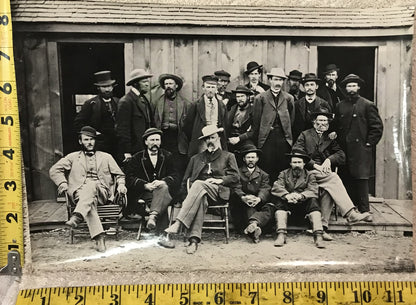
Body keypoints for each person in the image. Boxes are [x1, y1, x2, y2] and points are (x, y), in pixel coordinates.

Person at [293, 111, 373, 240]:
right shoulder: (305, 135)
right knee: (333, 178)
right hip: (307, 172)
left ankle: (321, 228)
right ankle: (350, 213)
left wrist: (329, 160)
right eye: (320, 121)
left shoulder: (329, 138)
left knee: (328, 191)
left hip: (322, 174)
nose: (323, 124)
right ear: (314, 123)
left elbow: (341, 155)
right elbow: (297, 151)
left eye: (325, 121)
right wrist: (315, 165)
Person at [49, 126, 127, 252]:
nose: (89, 142)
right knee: (89, 200)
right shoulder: (73, 157)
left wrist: (121, 184)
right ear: (80, 141)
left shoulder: (106, 157)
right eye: (86, 140)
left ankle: (78, 216)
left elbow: (119, 174)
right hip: (79, 193)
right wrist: (62, 183)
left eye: (92, 139)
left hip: (102, 192)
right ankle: (99, 236)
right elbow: (54, 170)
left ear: (95, 141)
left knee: (91, 184)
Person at [165, 125, 239, 254]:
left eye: (213, 137)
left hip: (219, 192)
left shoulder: (228, 156)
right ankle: (194, 241)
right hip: (198, 195)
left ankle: (179, 223)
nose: (210, 141)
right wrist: (184, 197)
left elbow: (235, 177)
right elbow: (185, 180)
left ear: (218, 138)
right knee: (200, 196)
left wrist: (219, 180)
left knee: (199, 184)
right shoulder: (196, 158)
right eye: (207, 139)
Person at [335, 74, 383, 217]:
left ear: (358, 87)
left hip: (361, 149)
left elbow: (377, 127)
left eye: (353, 85)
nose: (351, 88)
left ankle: (365, 210)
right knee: (346, 177)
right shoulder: (339, 106)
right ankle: (350, 211)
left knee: (361, 178)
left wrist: (368, 144)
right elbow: (337, 126)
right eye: (348, 86)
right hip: (344, 149)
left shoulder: (368, 105)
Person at [123, 128, 179, 248]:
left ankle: (152, 217)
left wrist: (163, 181)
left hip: (164, 190)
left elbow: (175, 175)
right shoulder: (137, 157)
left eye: (157, 140)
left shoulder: (167, 156)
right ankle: (162, 236)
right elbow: (129, 178)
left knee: (162, 189)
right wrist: (145, 185)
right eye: (152, 140)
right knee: (162, 198)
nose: (155, 143)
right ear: (146, 142)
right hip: (145, 192)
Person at [270, 150, 325, 248]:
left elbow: (313, 189)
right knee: (280, 201)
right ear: (290, 163)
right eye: (294, 162)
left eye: (299, 162)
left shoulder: (310, 175)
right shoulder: (283, 174)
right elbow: (277, 187)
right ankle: (281, 234)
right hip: (289, 207)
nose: (297, 165)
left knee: (313, 201)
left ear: (304, 163)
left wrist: (301, 196)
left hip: (303, 210)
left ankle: (318, 235)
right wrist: (287, 195)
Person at [249, 67, 295, 182]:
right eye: (275, 79)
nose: (278, 83)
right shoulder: (260, 98)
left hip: (283, 138)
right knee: (267, 166)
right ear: (270, 80)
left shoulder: (289, 98)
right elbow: (256, 122)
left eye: (280, 80)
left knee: (283, 167)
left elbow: (292, 120)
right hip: (267, 138)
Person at [230, 143, 273, 243]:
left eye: (253, 157)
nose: (250, 160)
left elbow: (265, 188)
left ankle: (253, 226)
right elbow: (236, 187)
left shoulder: (263, 174)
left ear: (257, 159)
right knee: (249, 207)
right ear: (244, 159)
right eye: (248, 157)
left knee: (270, 207)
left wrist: (258, 198)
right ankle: (254, 231)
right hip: (243, 205)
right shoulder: (238, 173)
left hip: (258, 203)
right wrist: (244, 197)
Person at [153, 73, 193, 177]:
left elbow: (190, 126)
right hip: (163, 138)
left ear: (176, 86)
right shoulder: (157, 102)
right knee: (163, 165)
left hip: (178, 139)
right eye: (166, 84)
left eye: (171, 83)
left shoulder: (186, 103)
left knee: (178, 166)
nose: (168, 86)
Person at [73, 71, 119, 159]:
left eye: (109, 86)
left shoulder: (118, 102)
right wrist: (92, 133)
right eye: (104, 87)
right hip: (99, 144)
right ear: (98, 88)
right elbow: (78, 123)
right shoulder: (91, 104)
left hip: (116, 144)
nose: (107, 89)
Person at [183, 75, 228, 157]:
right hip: (202, 139)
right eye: (208, 87)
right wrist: (196, 135)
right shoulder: (196, 105)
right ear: (203, 88)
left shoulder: (221, 105)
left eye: (213, 87)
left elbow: (225, 124)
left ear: (216, 88)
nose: (210, 90)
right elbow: (187, 125)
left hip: (217, 139)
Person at [116, 69, 155, 163]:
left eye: (147, 82)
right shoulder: (126, 101)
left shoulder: (143, 99)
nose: (147, 84)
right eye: (144, 82)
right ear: (135, 84)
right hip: (134, 150)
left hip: (145, 148)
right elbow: (122, 129)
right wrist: (127, 151)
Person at [293, 73, 331, 140]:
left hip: (318, 141)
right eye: (307, 85)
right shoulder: (296, 104)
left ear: (316, 86)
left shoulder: (324, 104)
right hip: (301, 141)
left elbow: (329, 125)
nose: (309, 87)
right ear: (304, 87)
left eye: (312, 85)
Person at [225, 85, 254, 154]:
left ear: (248, 97)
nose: (240, 99)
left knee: (251, 152)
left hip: (245, 139)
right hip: (230, 139)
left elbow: (254, 130)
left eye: (242, 96)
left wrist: (239, 138)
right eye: (238, 97)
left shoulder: (253, 111)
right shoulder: (232, 108)